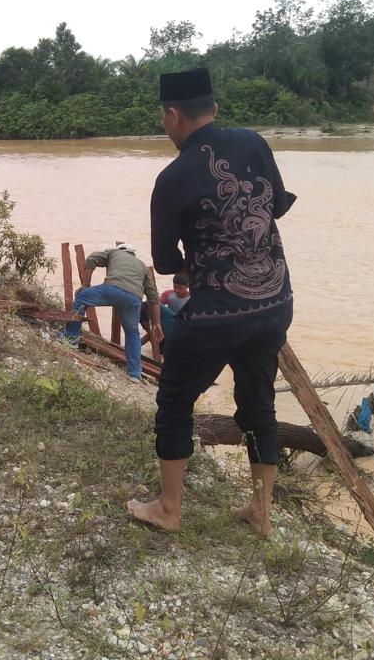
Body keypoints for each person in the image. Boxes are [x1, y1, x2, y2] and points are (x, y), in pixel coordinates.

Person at [127, 68, 296, 537]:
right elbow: (276, 204)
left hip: (220, 312)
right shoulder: (253, 143)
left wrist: (193, 262)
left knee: (176, 399)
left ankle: (168, 509)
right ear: (215, 109)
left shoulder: (173, 176)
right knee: (259, 404)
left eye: (164, 118)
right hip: (275, 301)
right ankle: (261, 514)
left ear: (173, 114)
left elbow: (163, 260)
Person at [61, 243, 162, 383]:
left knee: (82, 298)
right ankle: (134, 374)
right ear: (133, 254)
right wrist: (156, 323)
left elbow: (92, 258)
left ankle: (71, 338)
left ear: (121, 250)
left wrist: (86, 284)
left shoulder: (113, 252)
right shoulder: (143, 266)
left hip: (112, 289)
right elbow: (153, 297)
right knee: (132, 333)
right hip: (133, 299)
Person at [158, 273, 191, 346]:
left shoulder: (192, 299)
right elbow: (158, 307)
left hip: (183, 329)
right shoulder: (168, 294)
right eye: (175, 287)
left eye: (180, 288)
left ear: (187, 286)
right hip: (168, 326)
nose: (177, 290)